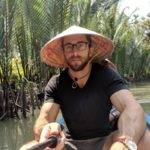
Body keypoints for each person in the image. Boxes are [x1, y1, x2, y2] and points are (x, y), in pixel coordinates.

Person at [20, 25, 150, 150]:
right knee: (26, 148)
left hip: (105, 141)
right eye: (69, 46)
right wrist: (47, 130)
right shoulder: (56, 83)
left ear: (90, 49)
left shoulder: (106, 75)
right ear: (63, 51)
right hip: (70, 144)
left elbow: (132, 108)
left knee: (146, 140)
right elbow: (45, 118)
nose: (75, 52)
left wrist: (125, 143)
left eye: (81, 45)